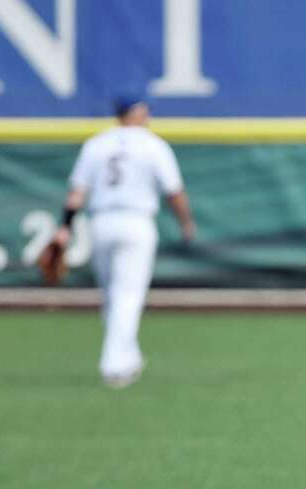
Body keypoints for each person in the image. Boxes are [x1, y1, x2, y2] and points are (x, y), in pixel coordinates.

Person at [52, 94, 195, 388]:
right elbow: (174, 191)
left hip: (102, 222)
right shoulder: (152, 144)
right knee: (127, 295)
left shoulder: (97, 143)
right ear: (138, 111)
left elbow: (77, 192)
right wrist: (186, 221)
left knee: (112, 295)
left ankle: (127, 357)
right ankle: (115, 365)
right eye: (146, 109)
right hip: (136, 222)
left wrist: (64, 226)